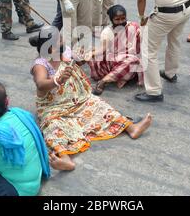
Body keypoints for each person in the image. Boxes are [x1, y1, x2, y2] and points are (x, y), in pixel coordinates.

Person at [30, 26, 152, 170]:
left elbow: (75, 62)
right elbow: (41, 84)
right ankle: (64, 158)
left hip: (78, 100)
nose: (63, 43)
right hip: (54, 108)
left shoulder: (65, 51)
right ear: (50, 48)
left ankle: (132, 128)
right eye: (60, 41)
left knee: (99, 104)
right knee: (53, 127)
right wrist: (58, 79)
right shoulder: (41, 64)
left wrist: (81, 59)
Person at [88, 5, 143, 96]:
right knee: (92, 57)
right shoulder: (107, 32)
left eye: (123, 18)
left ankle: (104, 81)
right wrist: (90, 54)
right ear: (111, 20)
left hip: (131, 63)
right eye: (117, 19)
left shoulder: (133, 26)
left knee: (133, 60)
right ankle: (118, 77)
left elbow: (141, 45)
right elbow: (102, 49)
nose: (121, 21)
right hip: (113, 62)